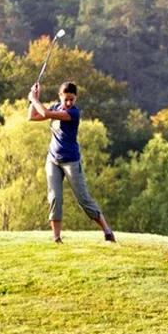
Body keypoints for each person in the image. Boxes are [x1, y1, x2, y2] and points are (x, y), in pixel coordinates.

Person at [27, 80, 116, 244]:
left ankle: (107, 232)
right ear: (60, 96)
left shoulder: (74, 113)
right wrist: (35, 97)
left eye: (71, 100)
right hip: (53, 159)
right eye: (65, 99)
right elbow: (32, 116)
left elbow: (46, 114)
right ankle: (56, 238)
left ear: (75, 99)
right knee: (54, 198)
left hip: (71, 162)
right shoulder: (54, 107)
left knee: (83, 199)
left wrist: (34, 99)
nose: (68, 103)